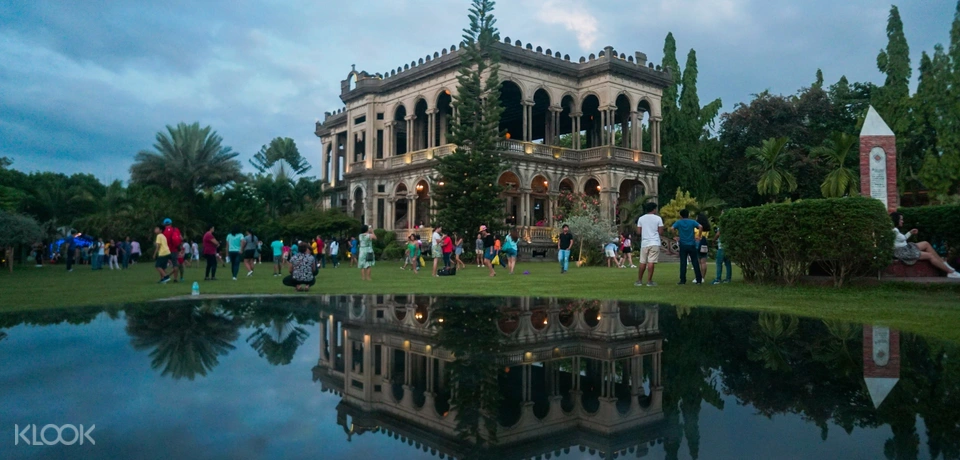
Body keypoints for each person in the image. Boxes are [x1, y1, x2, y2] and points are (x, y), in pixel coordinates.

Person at [890, 212, 959, 278]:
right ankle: (950, 272)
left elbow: (902, 239)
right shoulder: (894, 231)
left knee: (926, 244)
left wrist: (910, 232)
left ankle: (942, 263)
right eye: (901, 219)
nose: (902, 221)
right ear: (896, 220)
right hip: (903, 252)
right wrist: (910, 233)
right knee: (930, 255)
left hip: (905, 248)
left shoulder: (895, 230)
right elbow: (902, 238)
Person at [636, 202, 665, 287]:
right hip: (654, 242)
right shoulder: (658, 218)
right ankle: (649, 281)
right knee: (651, 261)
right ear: (654, 209)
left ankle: (639, 280)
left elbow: (638, 232)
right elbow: (660, 231)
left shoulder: (641, 218)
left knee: (642, 262)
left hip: (645, 242)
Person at [672, 209, 703, 285]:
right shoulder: (692, 222)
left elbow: (672, 228)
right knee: (695, 262)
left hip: (683, 244)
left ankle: (682, 280)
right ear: (688, 214)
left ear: (680, 215)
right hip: (691, 244)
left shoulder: (679, 222)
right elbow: (700, 226)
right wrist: (699, 236)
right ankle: (698, 279)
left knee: (683, 262)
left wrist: (675, 236)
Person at [712, 212, 732, 284]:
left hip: (721, 247)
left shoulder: (722, 224)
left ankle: (718, 279)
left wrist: (713, 240)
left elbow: (718, 234)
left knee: (719, 263)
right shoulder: (730, 225)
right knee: (728, 263)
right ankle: (728, 278)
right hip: (728, 246)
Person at [161, 218, 183, 283]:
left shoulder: (163, 231)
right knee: (175, 264)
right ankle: (175, 279)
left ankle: (164, 278)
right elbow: (181, 238)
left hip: (165, 250)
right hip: (174, 250)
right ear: (171, 223)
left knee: (163, 265)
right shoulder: (175, 230)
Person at [696, 213, 712, 281]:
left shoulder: (696, 227)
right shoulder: (707, 227)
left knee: (698, 262)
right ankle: (703, 277)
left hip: (697, 243)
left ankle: (698, 277)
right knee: (704, 262)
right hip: (704, 244)